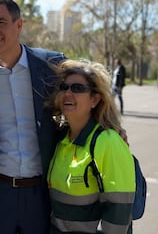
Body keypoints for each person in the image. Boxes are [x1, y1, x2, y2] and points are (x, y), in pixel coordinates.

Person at [0, 0, 66, 234]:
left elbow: (84, 99)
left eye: (0, 23)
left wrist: (108, 126)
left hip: (42, 193)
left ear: (18, 25)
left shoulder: (52, 65)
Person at [46, 59, 135, 233]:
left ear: (95, 99)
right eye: (64, 87)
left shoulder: (108, 142)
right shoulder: (61, 139)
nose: (68, 93)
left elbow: (119, 213)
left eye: (77, 88)